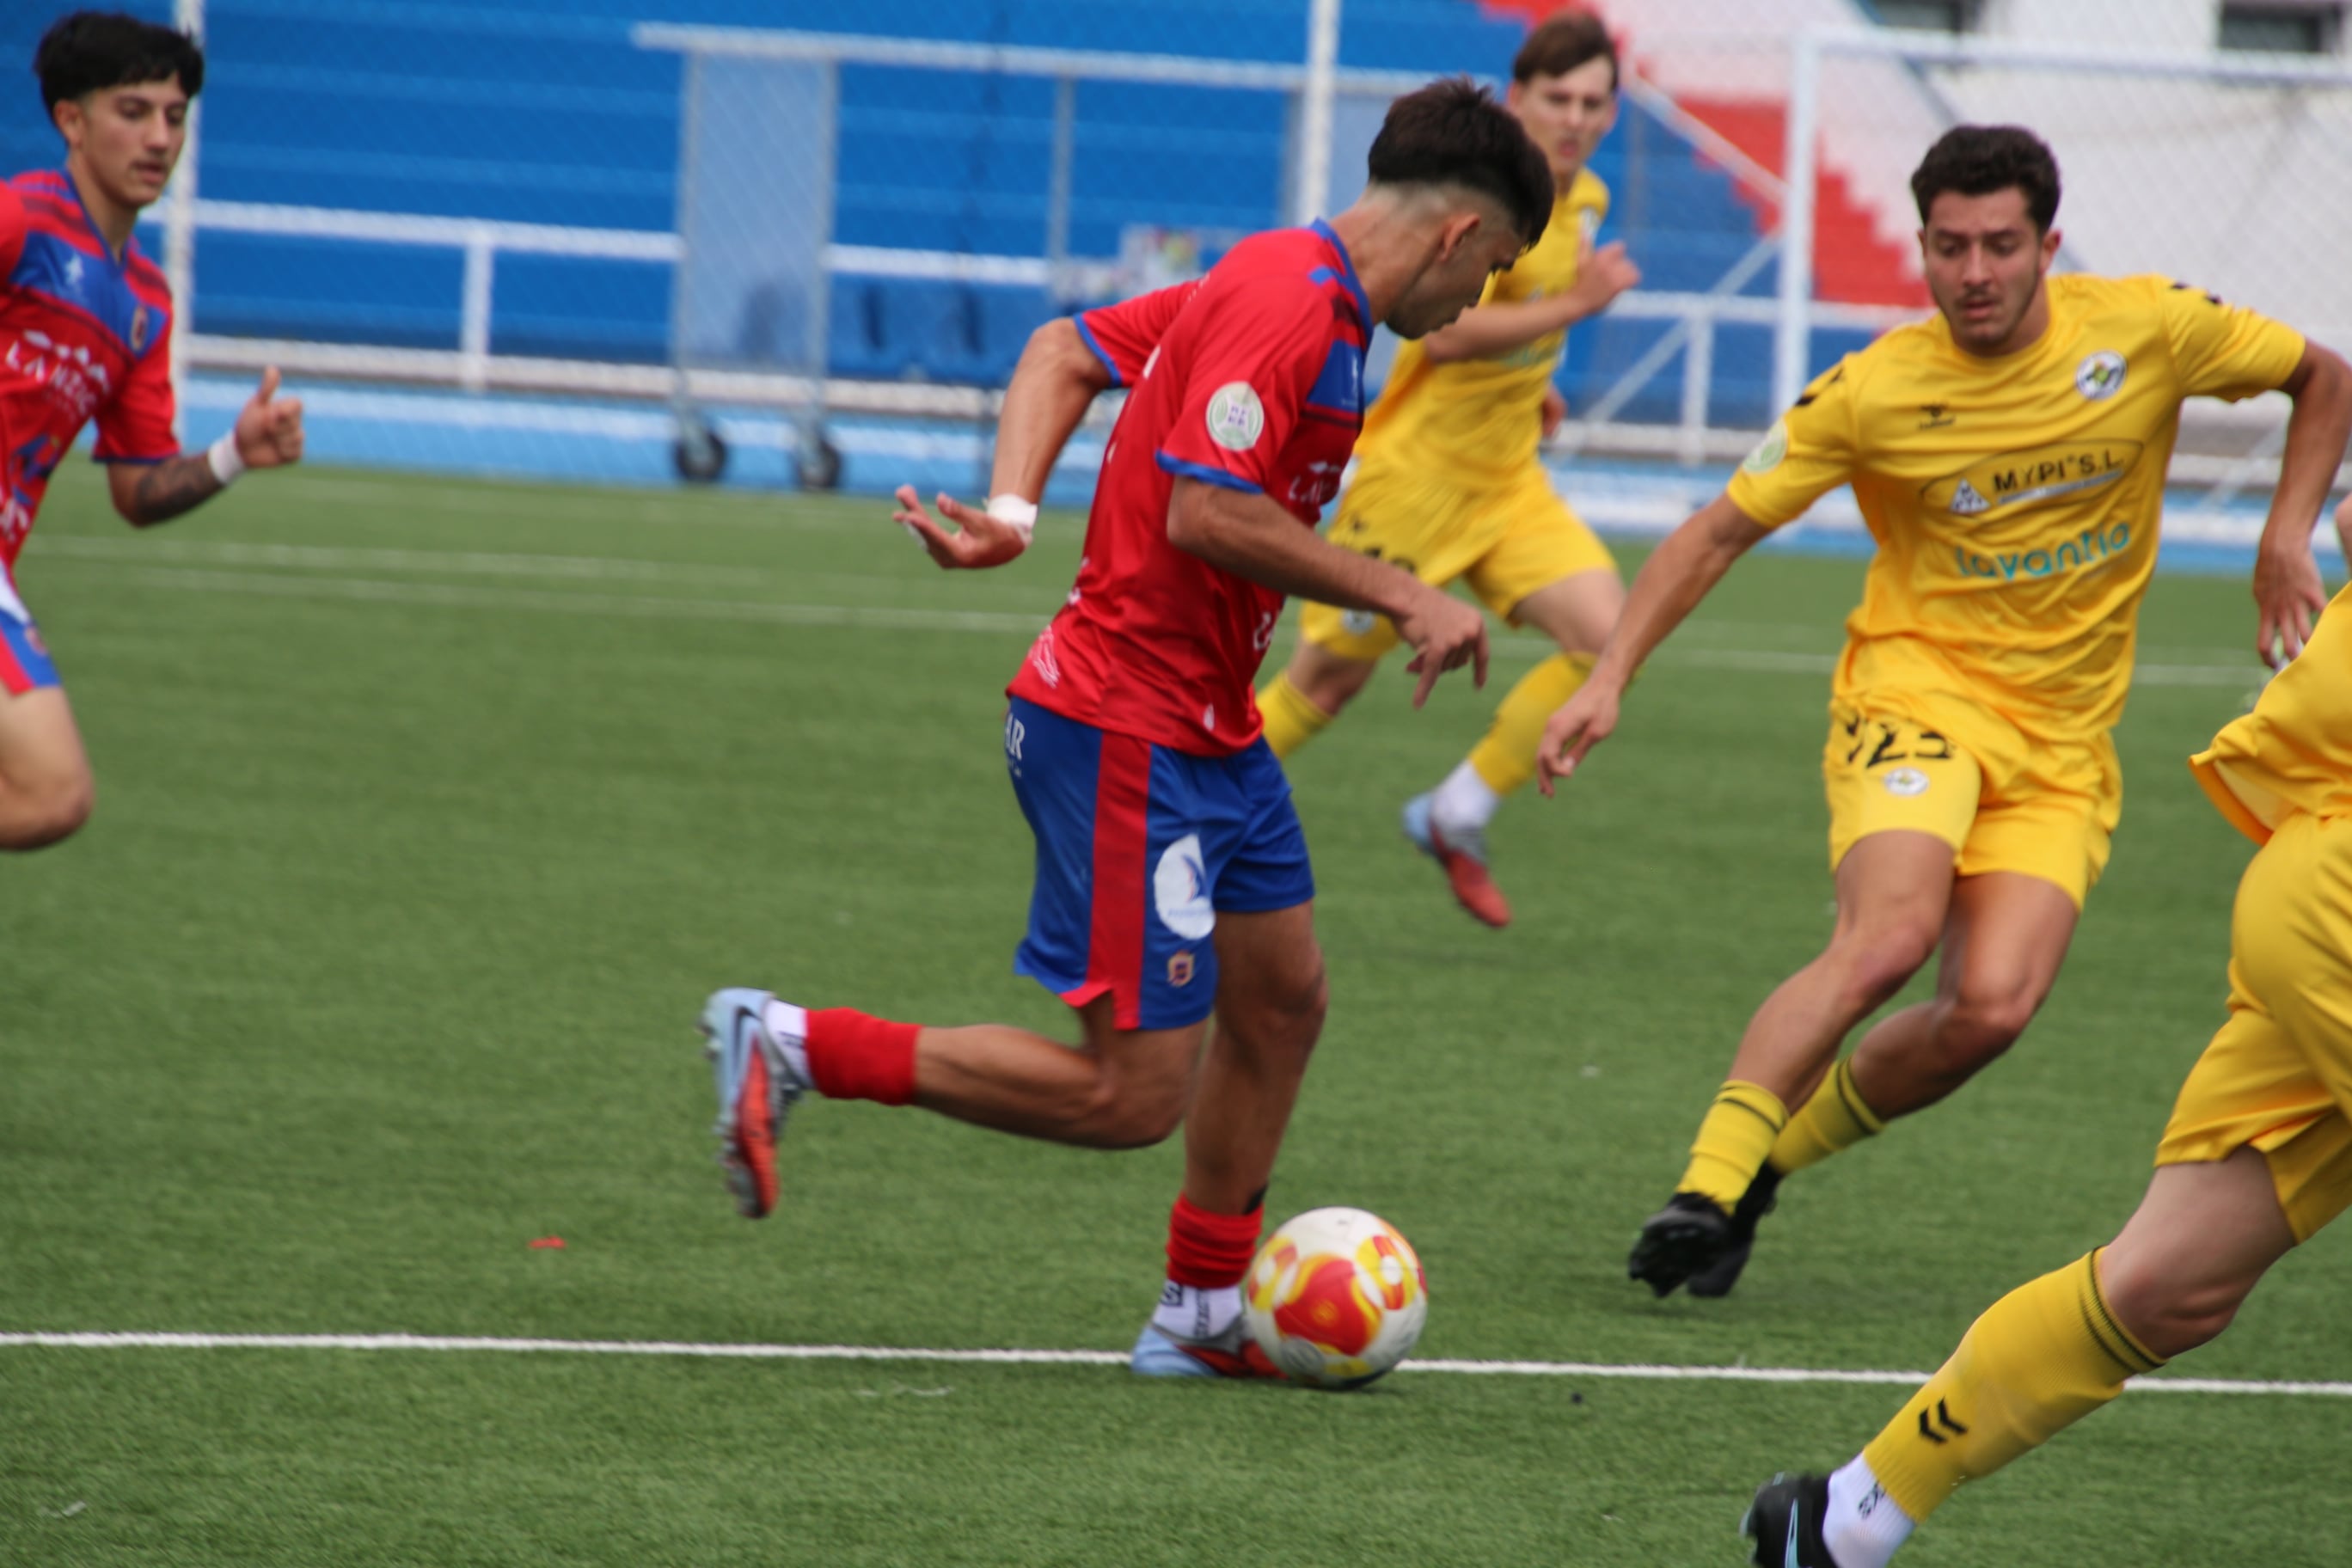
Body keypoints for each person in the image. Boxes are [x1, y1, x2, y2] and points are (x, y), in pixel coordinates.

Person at [692, 80, 1551, 1377]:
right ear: (1455, 237)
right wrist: (1399, 589)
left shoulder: (1299, 297)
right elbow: (1209, 512)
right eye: (1493, 267)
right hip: (1123, 726)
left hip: (1208, 731)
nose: (1480, 302)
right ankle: (793, 1042)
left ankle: (1204, 1315)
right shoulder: (1285, 301)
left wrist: (1014, 511)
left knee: (1285, 1001)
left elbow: (1064, 348)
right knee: (1130, 1095)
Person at [1534, 124, 2352, 1299]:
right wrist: (1609, 676)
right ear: (1921, 244)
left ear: (2047, 247)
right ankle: (1704, 1186)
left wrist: (2285, 535)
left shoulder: (2148, 330)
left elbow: (2323, 375)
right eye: (1952, 246)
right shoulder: (1875, 388)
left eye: (2002, 246)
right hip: (1917, 699)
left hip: (2063, 744)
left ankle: (1764, 1175)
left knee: (1990, 1010)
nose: (1975, 272)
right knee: (1889, 938)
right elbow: (1718, 530)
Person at [1742, 578, 2352, 1568]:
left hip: (2314, 889)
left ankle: (1847, 1518)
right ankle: (1740, 1168)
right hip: (2340, 894)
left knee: (2165, 1287)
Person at [1254, 11, 1638, 928]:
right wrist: (1575, 309)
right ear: (1518, 100)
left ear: (1614, 113)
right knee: (1326, 683)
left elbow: (1517, 335)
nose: (1576, 118)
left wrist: (1535, 389)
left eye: (1594, 102)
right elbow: (1451, 333)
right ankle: (1174, 799)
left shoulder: (1584, 203)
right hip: (1416, 482)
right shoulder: (1489, 204)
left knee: (1607, 639)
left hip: (1507, 482)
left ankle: (1455, 812)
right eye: (1558, 99)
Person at [2, 11, 304, 851]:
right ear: (71, 119)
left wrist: (235, 453)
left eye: (173, 116)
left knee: (43, 796)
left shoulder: (144, 304)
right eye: (132, 111)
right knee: (52, 791)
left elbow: (137, 491)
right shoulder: (20, 221)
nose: (159, 138)